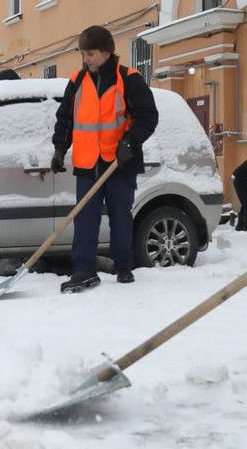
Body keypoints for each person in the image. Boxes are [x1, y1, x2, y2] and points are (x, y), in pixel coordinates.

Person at [51, 25, 158, 293]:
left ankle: (123, 267)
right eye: (83, 54)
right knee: (85, 218)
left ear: (107, 52)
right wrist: (60, 149)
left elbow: (148, 116)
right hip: (88, 164)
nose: (86, 59)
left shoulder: (129, 79)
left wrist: (130, 141)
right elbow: (65, 118)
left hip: (119, 163)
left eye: (90, 54)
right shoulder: (77, 81)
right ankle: (84, 270)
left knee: (120, 215)